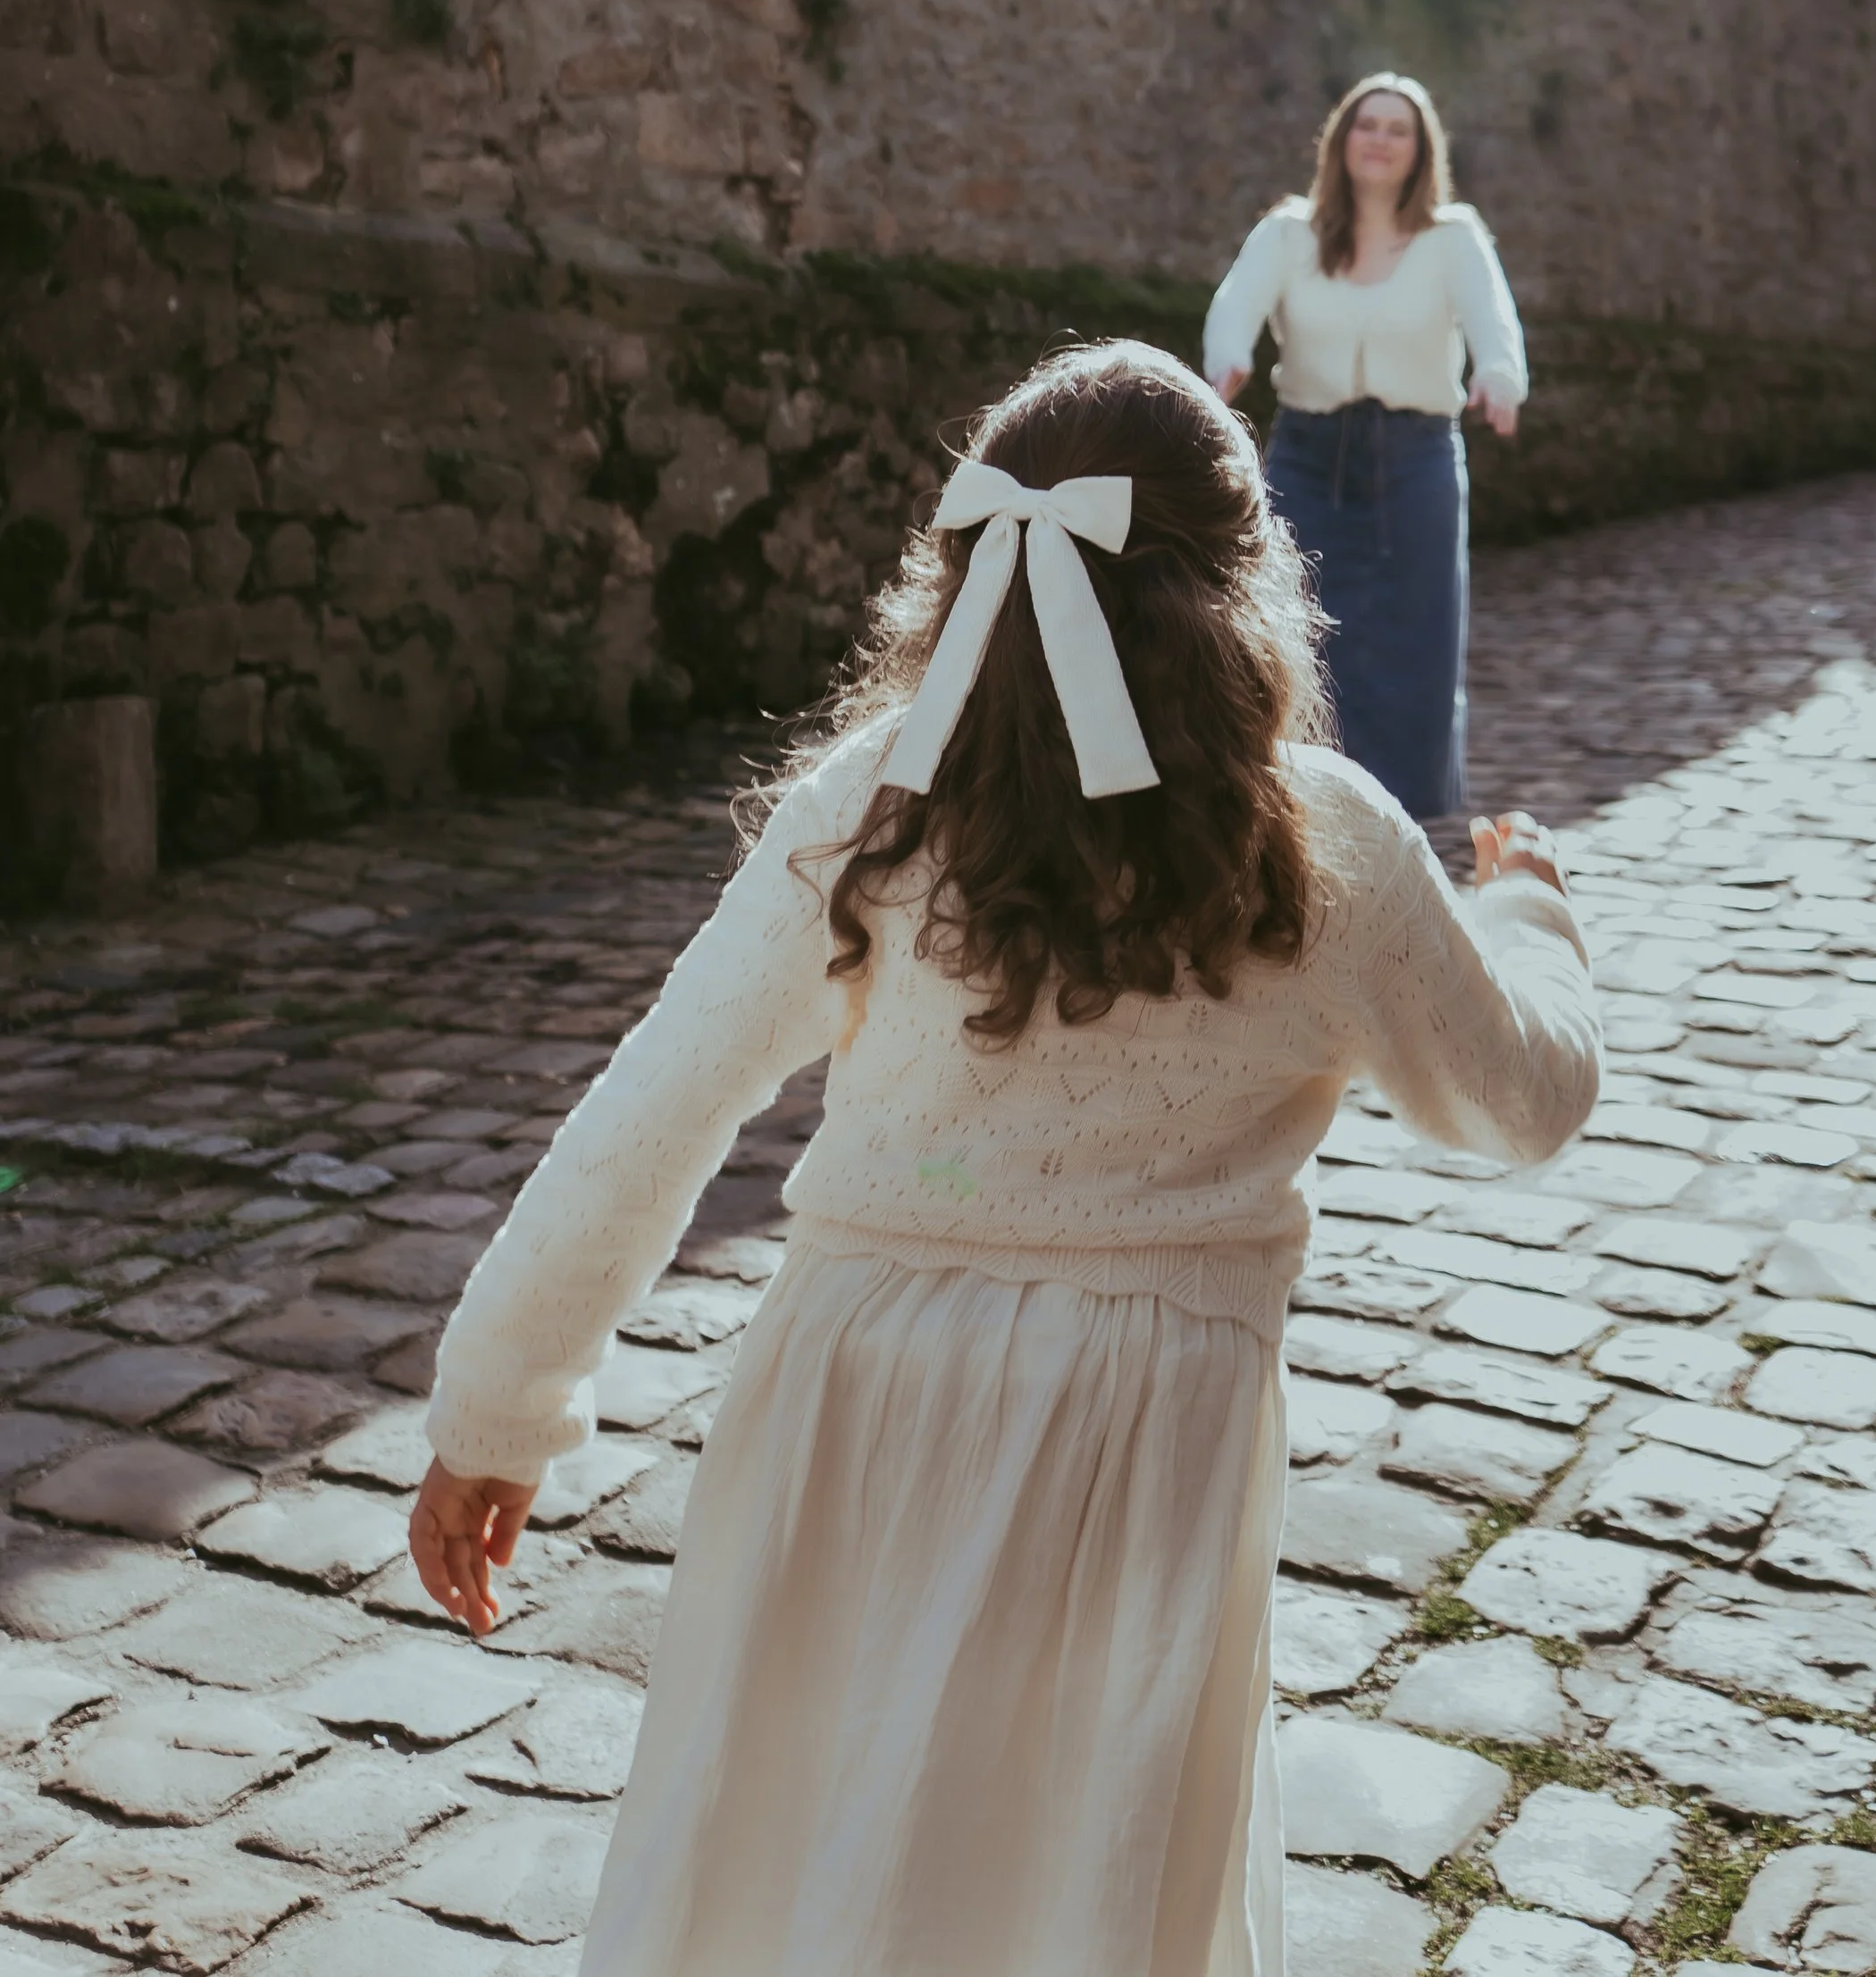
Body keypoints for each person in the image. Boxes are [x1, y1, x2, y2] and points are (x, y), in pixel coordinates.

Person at [409, 339, 1596, 1977]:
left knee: (792, 1860)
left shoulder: (871, 810)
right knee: (1069, 1889)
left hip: (854, 1394)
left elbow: (657, 1103)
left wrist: (496, 1407)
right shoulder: (1321, 845)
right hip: (1141, 1441)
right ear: (1241, 585)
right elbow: (1520, 1100)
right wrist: (1527, 909)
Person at [1205, 73, 1526, 869]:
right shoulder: (1287, 234)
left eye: (1398, 130)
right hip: (1309, 459)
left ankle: (1401, 831)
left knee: (1415, 643)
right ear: (1341, 140)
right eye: (1367, 125)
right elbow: (1235, 305)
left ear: (1421, 153)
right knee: (1297, 635)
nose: (1380, 140)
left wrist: (1499, 379)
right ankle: (1292, 803)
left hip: (1417, 459)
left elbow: (1495, 325)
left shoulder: (1453, 238)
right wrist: (1229, 359)